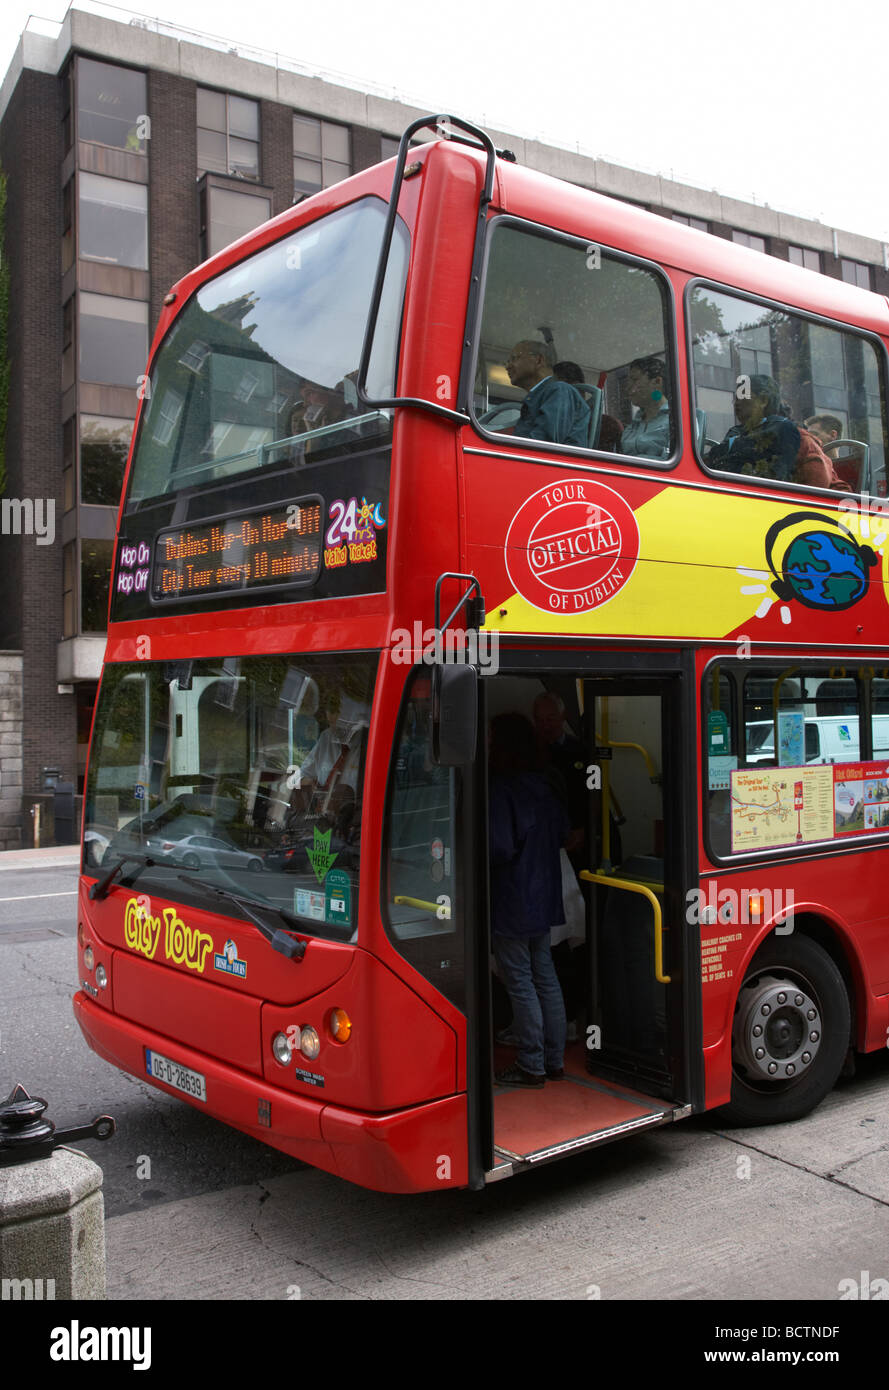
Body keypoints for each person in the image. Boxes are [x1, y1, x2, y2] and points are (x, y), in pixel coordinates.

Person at [489, 711, 569, 1087]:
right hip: (544, 894)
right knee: (545, 976)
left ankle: (530, 1064)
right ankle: (553, 1060)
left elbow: (499, 847)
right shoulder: (544, 784)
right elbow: (563, 835)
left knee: (519, 980)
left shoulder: (501, 788)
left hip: (513, 897)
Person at [504, 340, 590, 447]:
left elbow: (542, 445)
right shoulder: (540, 396)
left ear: (539, 360)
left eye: (514, 358)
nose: (507, 367)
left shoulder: (560, 391)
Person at [620, 356, 671, 459]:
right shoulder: (634, 424)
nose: (628, 387)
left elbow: (671, 466)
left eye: (635, 380)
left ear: (657, 382)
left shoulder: (679, 422)